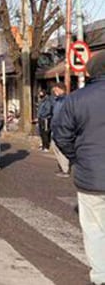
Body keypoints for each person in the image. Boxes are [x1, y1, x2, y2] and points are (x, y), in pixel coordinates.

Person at [52, 51, 105, 285]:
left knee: (94, 229)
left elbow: (61, 136)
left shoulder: (76, 99)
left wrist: (77, 157)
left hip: (90, 175)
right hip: (90, 171)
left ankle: (101, 276)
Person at [49, 83, 70, 178]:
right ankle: (62, 166)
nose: (55, 92)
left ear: (62, 89)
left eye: (56, 90)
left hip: (61, 127)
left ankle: (65, 169)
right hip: (56, 127)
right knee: (55, 147)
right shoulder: (57, 101)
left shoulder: (65, 101)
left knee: (61, 148)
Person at [37, 88, 54, 153]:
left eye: (41, 93)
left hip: (45, 118)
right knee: (41, 132)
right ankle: (43, 145)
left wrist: (42, 115)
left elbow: (48, 110)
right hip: (41, 118)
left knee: (45, 133)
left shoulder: (47, 100)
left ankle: (46, 146)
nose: (40, 94)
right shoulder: (41, 100)